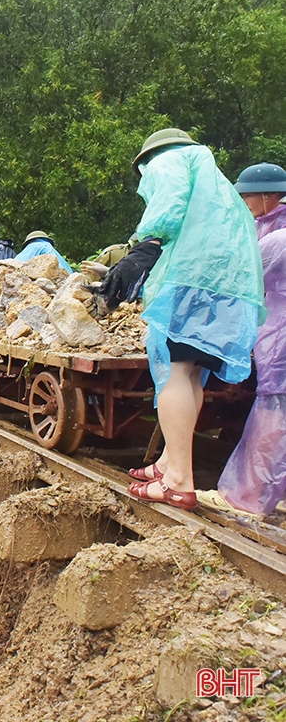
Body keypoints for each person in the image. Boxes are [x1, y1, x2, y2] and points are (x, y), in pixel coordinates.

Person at [103, 129, 263, 510]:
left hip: (194, 280)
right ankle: (169, 462)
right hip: (227, 285)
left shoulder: (168, 160)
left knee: (176, 371)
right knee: (190, 372)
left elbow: (169, 203)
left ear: (147, 160)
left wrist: (148, 243)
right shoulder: (213, 179)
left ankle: (178, 482)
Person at [215, 163, 286, 516]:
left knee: (274, 411)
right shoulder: (267, 227)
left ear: (269, 196)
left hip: (279, 339)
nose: (243, 203)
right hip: (271, 333)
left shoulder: (277, 238)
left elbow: (238, 279)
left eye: (246, 197)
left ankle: (249, 496)